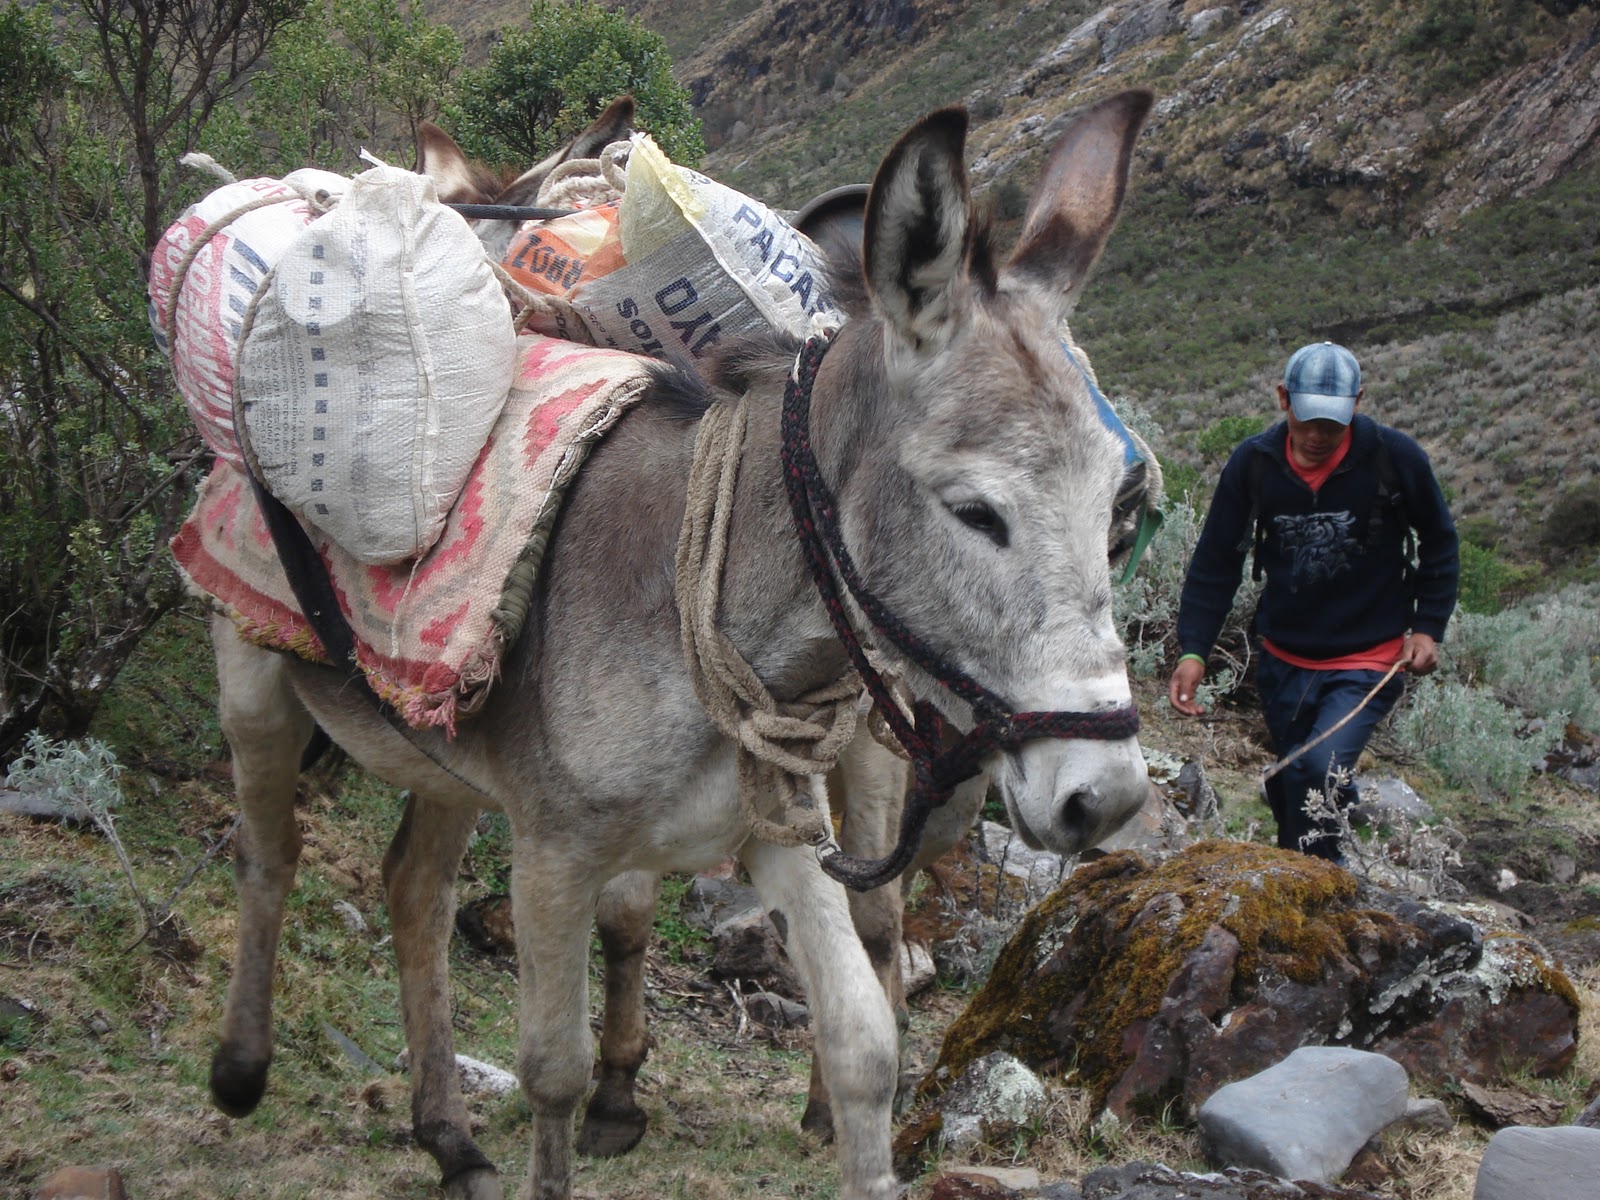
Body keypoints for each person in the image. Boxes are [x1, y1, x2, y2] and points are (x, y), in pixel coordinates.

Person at [1167, 341, 1459, 861]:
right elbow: (1215, 563)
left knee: (1316, 769)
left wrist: (1427, 626)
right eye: (1309, 420)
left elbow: (1440, 541)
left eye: (1334, 422)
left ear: (1358, 402)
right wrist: (1194, 650)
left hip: (1369, 659)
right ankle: (1310, 871)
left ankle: (1317, 885)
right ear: (1284, 399)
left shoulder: (1395, 458)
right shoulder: (1253, 464)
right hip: (1283, 662)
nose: (1320, 435)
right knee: (1294, 777)